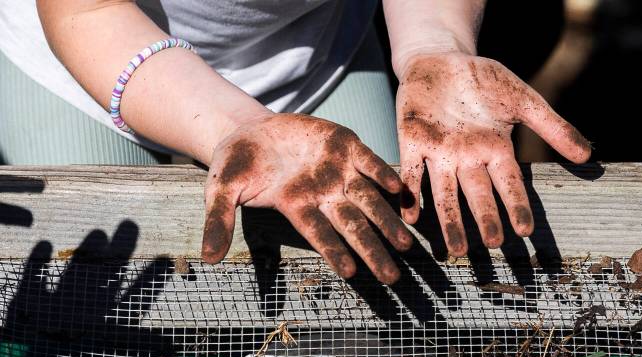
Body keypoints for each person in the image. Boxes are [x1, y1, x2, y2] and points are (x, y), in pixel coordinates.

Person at [0, 1, 591, 284]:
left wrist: (436, 46)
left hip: (310, 50)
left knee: (398, 256)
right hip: (83, 60)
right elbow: (88, 13)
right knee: (86, 307)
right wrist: (233, 125)